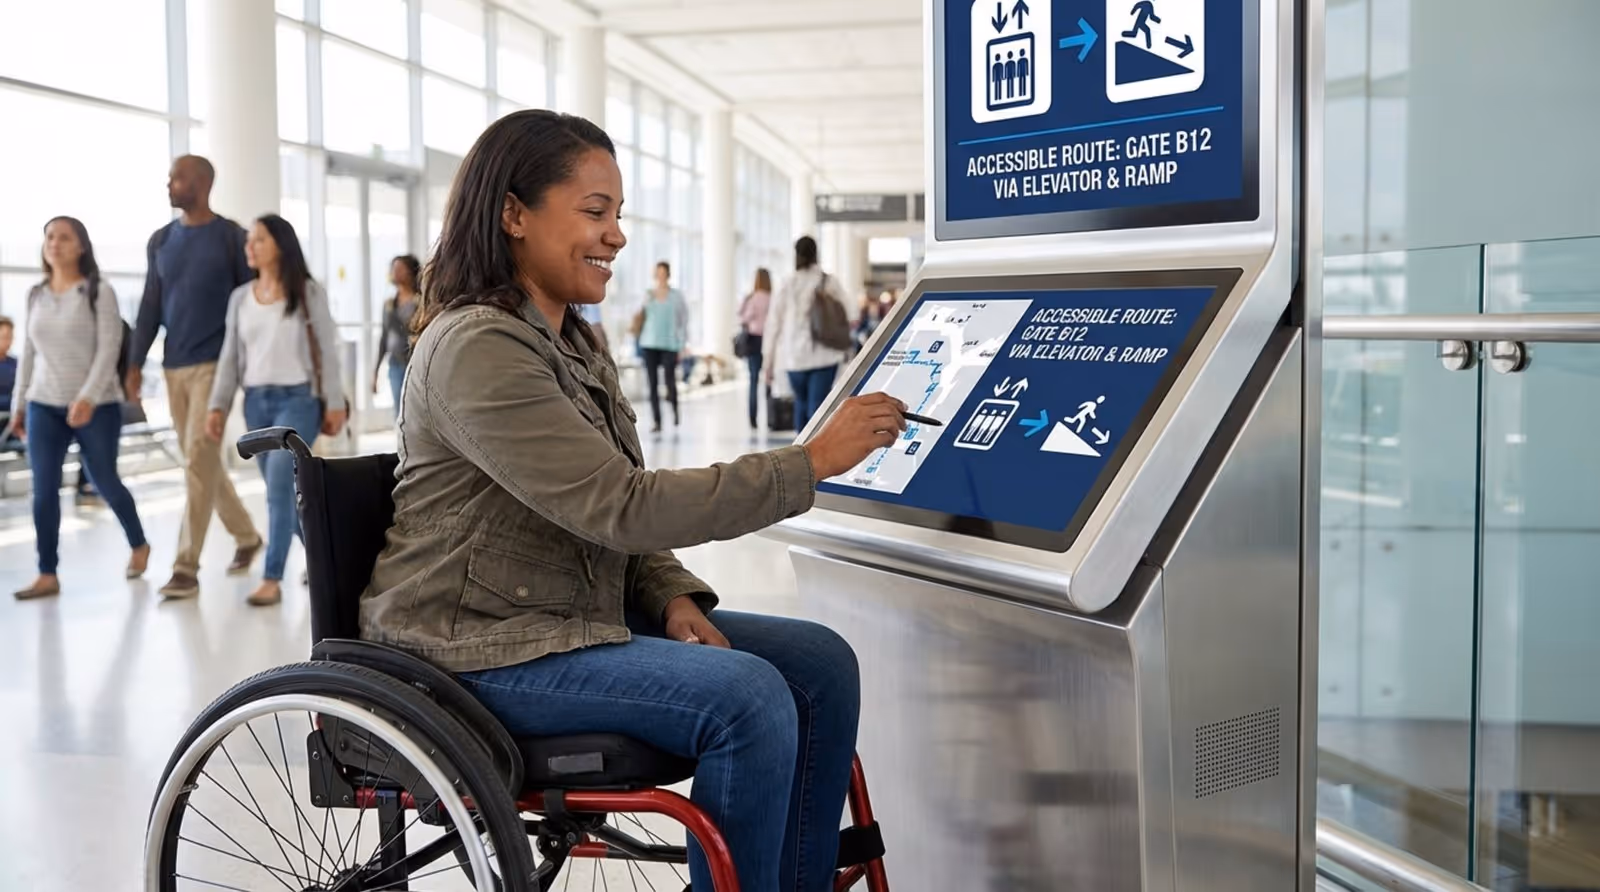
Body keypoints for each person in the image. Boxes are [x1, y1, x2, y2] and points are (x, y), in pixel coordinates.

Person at [360, 109, 907, 892]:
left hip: (563, 612)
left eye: (618, 214)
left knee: (820, 663)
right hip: (475, 645)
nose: (617, 235)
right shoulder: (476, 348)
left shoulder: (573, 342)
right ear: (513, 213)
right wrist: (810, 463)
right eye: (595, 211)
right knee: (747, 699)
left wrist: (670, 591)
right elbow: (622, 503)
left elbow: (610, 502)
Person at [128, 155, 262, 600]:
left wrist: (247, 367)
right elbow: (150, 306)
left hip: (215, 365)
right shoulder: (161, 240)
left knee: (198, 460)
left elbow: (249, 306)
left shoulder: (232, 238)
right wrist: (133, 364)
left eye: (178, 177)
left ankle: (185, 566)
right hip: (173, 366)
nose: (169, 184)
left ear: (202, 183)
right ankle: (247, 537)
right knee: (200, 464)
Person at [206, 215, 346, 607]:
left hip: (299, 400)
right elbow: (230, 358)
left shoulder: (307, 292)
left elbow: (328, 352)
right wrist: (217, 405)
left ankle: (272, 577)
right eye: (248, 241)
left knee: (281, 488)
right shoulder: (240, 298)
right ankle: (327, 559)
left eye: (259, 240)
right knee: (280, 493)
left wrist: (334, 402)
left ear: (280, 244)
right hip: (256, 402)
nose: (249, 247)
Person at [8, 217, 149, 600]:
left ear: (81, 246)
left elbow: (109, 349)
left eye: (64, 237)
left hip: (96, 405)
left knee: (104, 480)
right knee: (43, 490)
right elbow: (29, 357)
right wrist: (21, 405)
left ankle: (139, 543)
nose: (54, 243)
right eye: (49, 237)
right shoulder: (36, 294)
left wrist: (86, 397)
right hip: (43, 404)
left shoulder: (98, 291)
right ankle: (47, 573)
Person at [763, 236, 851, 433]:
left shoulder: (787, 283)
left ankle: (800, 454)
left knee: (801, 405)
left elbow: (773, 324)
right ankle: (815, 454)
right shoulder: (828, 281)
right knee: (817, 408)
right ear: (815, 253)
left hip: (794, 358)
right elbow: (849, 312)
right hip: (825, 355)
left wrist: (767, 362)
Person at [636, 260, 689, 432]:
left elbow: (683, 320)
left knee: (669, 382)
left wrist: (682, 344)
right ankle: (657, 421)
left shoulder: (676, 296)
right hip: (649, 343)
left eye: (663, 272)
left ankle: (674, 409)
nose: (660, 275)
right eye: (657, 272)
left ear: (667, 274)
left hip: (670, 344)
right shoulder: (648, 294)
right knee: (652, 384)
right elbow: (641, 316)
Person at [372, 254, 421, 412]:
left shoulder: (420, 302)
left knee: (413, 410)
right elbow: (384, 338)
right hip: (394, 362)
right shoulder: (388, 305)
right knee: (398, 411)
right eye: (393, 268)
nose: (395, 272)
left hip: (415, 363)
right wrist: (376, 371)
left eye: (400, 268)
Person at [736, 268, 773, 429]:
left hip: (754, 341)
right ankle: (772, 418)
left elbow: (743, 318)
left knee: (753, 380)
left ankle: (753, 419)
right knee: (769, 379)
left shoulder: (753, 298)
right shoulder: (773, 298)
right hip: (770, 340)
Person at [0, 318, 18, 451]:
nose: (9, 342)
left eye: (11, 337)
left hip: (14, 419)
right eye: (5, 337)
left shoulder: (15, 364)